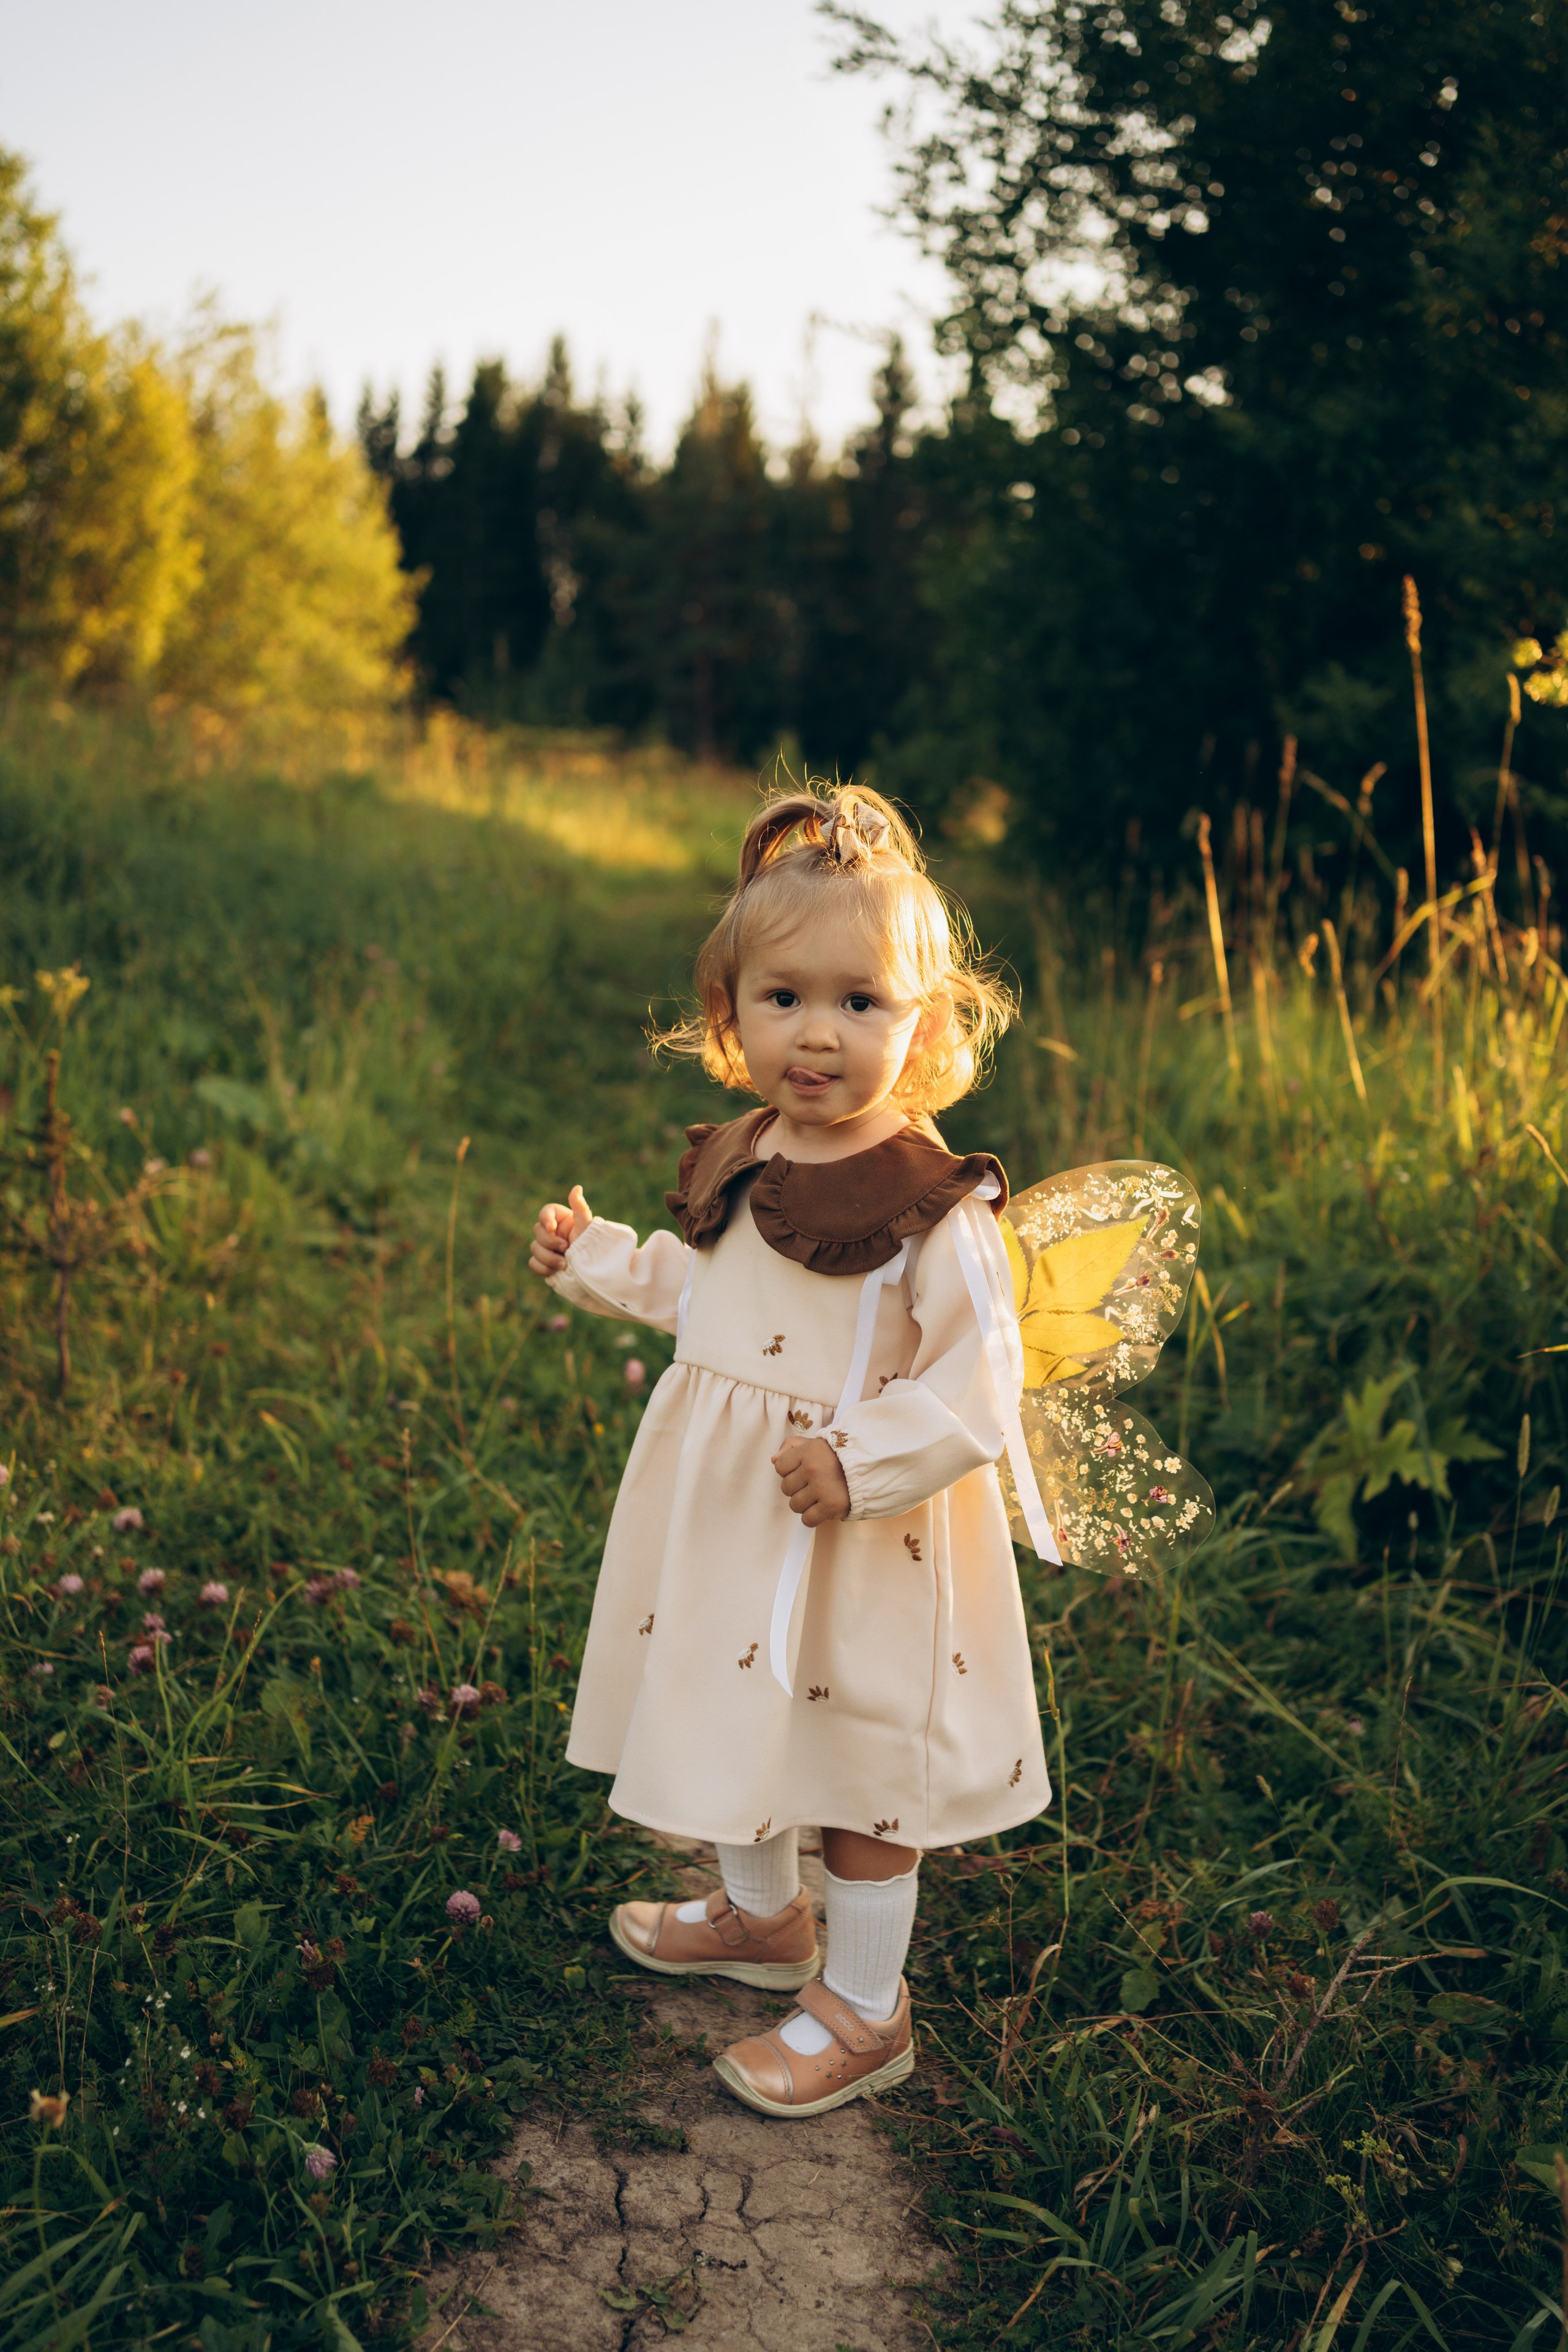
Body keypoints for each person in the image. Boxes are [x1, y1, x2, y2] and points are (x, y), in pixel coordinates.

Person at [528, 782, 1049, 2120]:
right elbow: (708, 1294)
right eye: (782, 998)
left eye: (859, 1003)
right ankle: (761, 1919)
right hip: (728, 1511)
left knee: (858, 1750)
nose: (816, 1035)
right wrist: (597, 1260)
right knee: (722, 1697)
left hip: (864, 1532)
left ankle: (866, 2010)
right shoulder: (746, 1153)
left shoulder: (937, 1210)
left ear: (923, 1026)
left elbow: (979, 1388)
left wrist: (866, 1461)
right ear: (730, 1013)